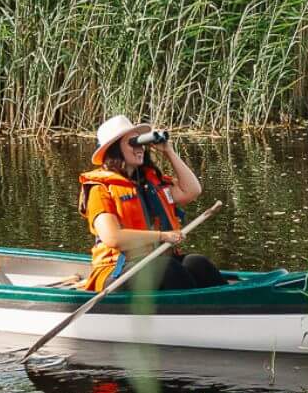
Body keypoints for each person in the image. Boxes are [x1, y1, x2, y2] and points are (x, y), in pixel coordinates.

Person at [78, 114, 226, 293]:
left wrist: (168, 151)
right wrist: (162, 236)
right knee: (168, 269)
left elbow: (192, 191)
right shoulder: (100, 189)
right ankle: (189, 314)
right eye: (132, 143)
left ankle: (227, 307)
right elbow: (112, 237)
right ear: (115, 149)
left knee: (198, 263)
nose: (139, 148)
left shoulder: (150, 184)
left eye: (140, 143)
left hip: (153, 261)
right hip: (116, 271)